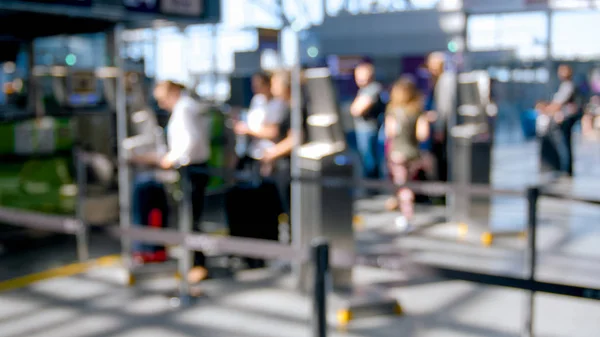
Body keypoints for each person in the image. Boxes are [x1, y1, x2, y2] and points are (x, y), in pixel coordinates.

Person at [152, 80, 211, 285]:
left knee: (192, 218)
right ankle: (194, 262)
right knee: (190, 218)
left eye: (163, 99)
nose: (161, 104)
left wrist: (173, 157)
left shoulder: (185, 108)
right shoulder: (185, 107)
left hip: (191, 169)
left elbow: (190, 140)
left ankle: (199, 264)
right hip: (191, 169)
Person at [383, 78, 430, 229]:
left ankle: (406, 216)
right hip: (413, 152)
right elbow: (423, 134)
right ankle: (405, 212)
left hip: (398, 152)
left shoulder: (393, 111)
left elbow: (390, 132)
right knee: (407, 184)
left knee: (403, 187)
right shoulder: (417, 111)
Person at [234, 72, 287, 172]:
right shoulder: (257, 100)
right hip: (253, 152)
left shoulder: (278, 104)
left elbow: (273, 132)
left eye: (258, 84)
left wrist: (249, 130)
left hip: (269, 155)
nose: (255, 88)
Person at [537, 64, 582, 176]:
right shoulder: (566, 85)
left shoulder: (568, 86)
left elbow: (558, 103)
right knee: (565, 144)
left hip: (565, 119)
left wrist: (547, 109)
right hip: (565, 118)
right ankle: (565, 169)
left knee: (564, 144)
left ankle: (566, 169)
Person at [425, 52, 456, 197]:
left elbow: (444, 107)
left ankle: (442, 195)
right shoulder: (438, 80)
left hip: (443, 129)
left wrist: (439, 127)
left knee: (443, 162)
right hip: (439, 127)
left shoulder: (445, 80)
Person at [350, 62, 385, 181]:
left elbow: (356, 110)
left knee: (370, 161)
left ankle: (373, 187)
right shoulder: (364, 90)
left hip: (369, 130)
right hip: (364, 129)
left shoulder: (372, 89)